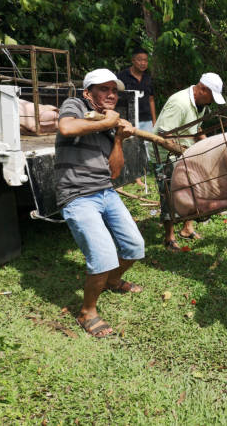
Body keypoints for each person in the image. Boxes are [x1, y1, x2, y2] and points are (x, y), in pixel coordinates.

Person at [55, 68, 145, 338]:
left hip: (105, 191)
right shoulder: (75, 105)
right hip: (77, 195)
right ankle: (87, 311)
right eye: (104, 89)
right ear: (88, 93)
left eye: (114, 90)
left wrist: (117, 137)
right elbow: (66, 127)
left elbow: (115, 171)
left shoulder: (107, 125)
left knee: (134, 246)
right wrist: (108, 123)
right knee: (103, 256)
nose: (111, 94)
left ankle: (113, 280)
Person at [152, 73, 226, 251]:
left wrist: (210, 144)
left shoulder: (201, 104)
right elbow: (164, 134)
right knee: (170, 194)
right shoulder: (180, 103)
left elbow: (196, 128)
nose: (211, 102)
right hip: (165, 155)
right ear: (202, 89)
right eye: (211, 97)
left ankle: (187, 227)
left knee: (194, 189)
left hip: (185, 152)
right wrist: (183, 151)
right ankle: (169, 238)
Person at [117, 48, 156, 186]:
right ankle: (133, 176)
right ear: (133, 60)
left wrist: (154, 120)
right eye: (140, 60)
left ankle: (145, 172)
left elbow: (151, 99)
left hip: (146, 118)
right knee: (130, 144)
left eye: (145, 60)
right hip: (129, 118)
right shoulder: (122, 76)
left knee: (146, 145)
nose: (143, 63)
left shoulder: (148, 78)